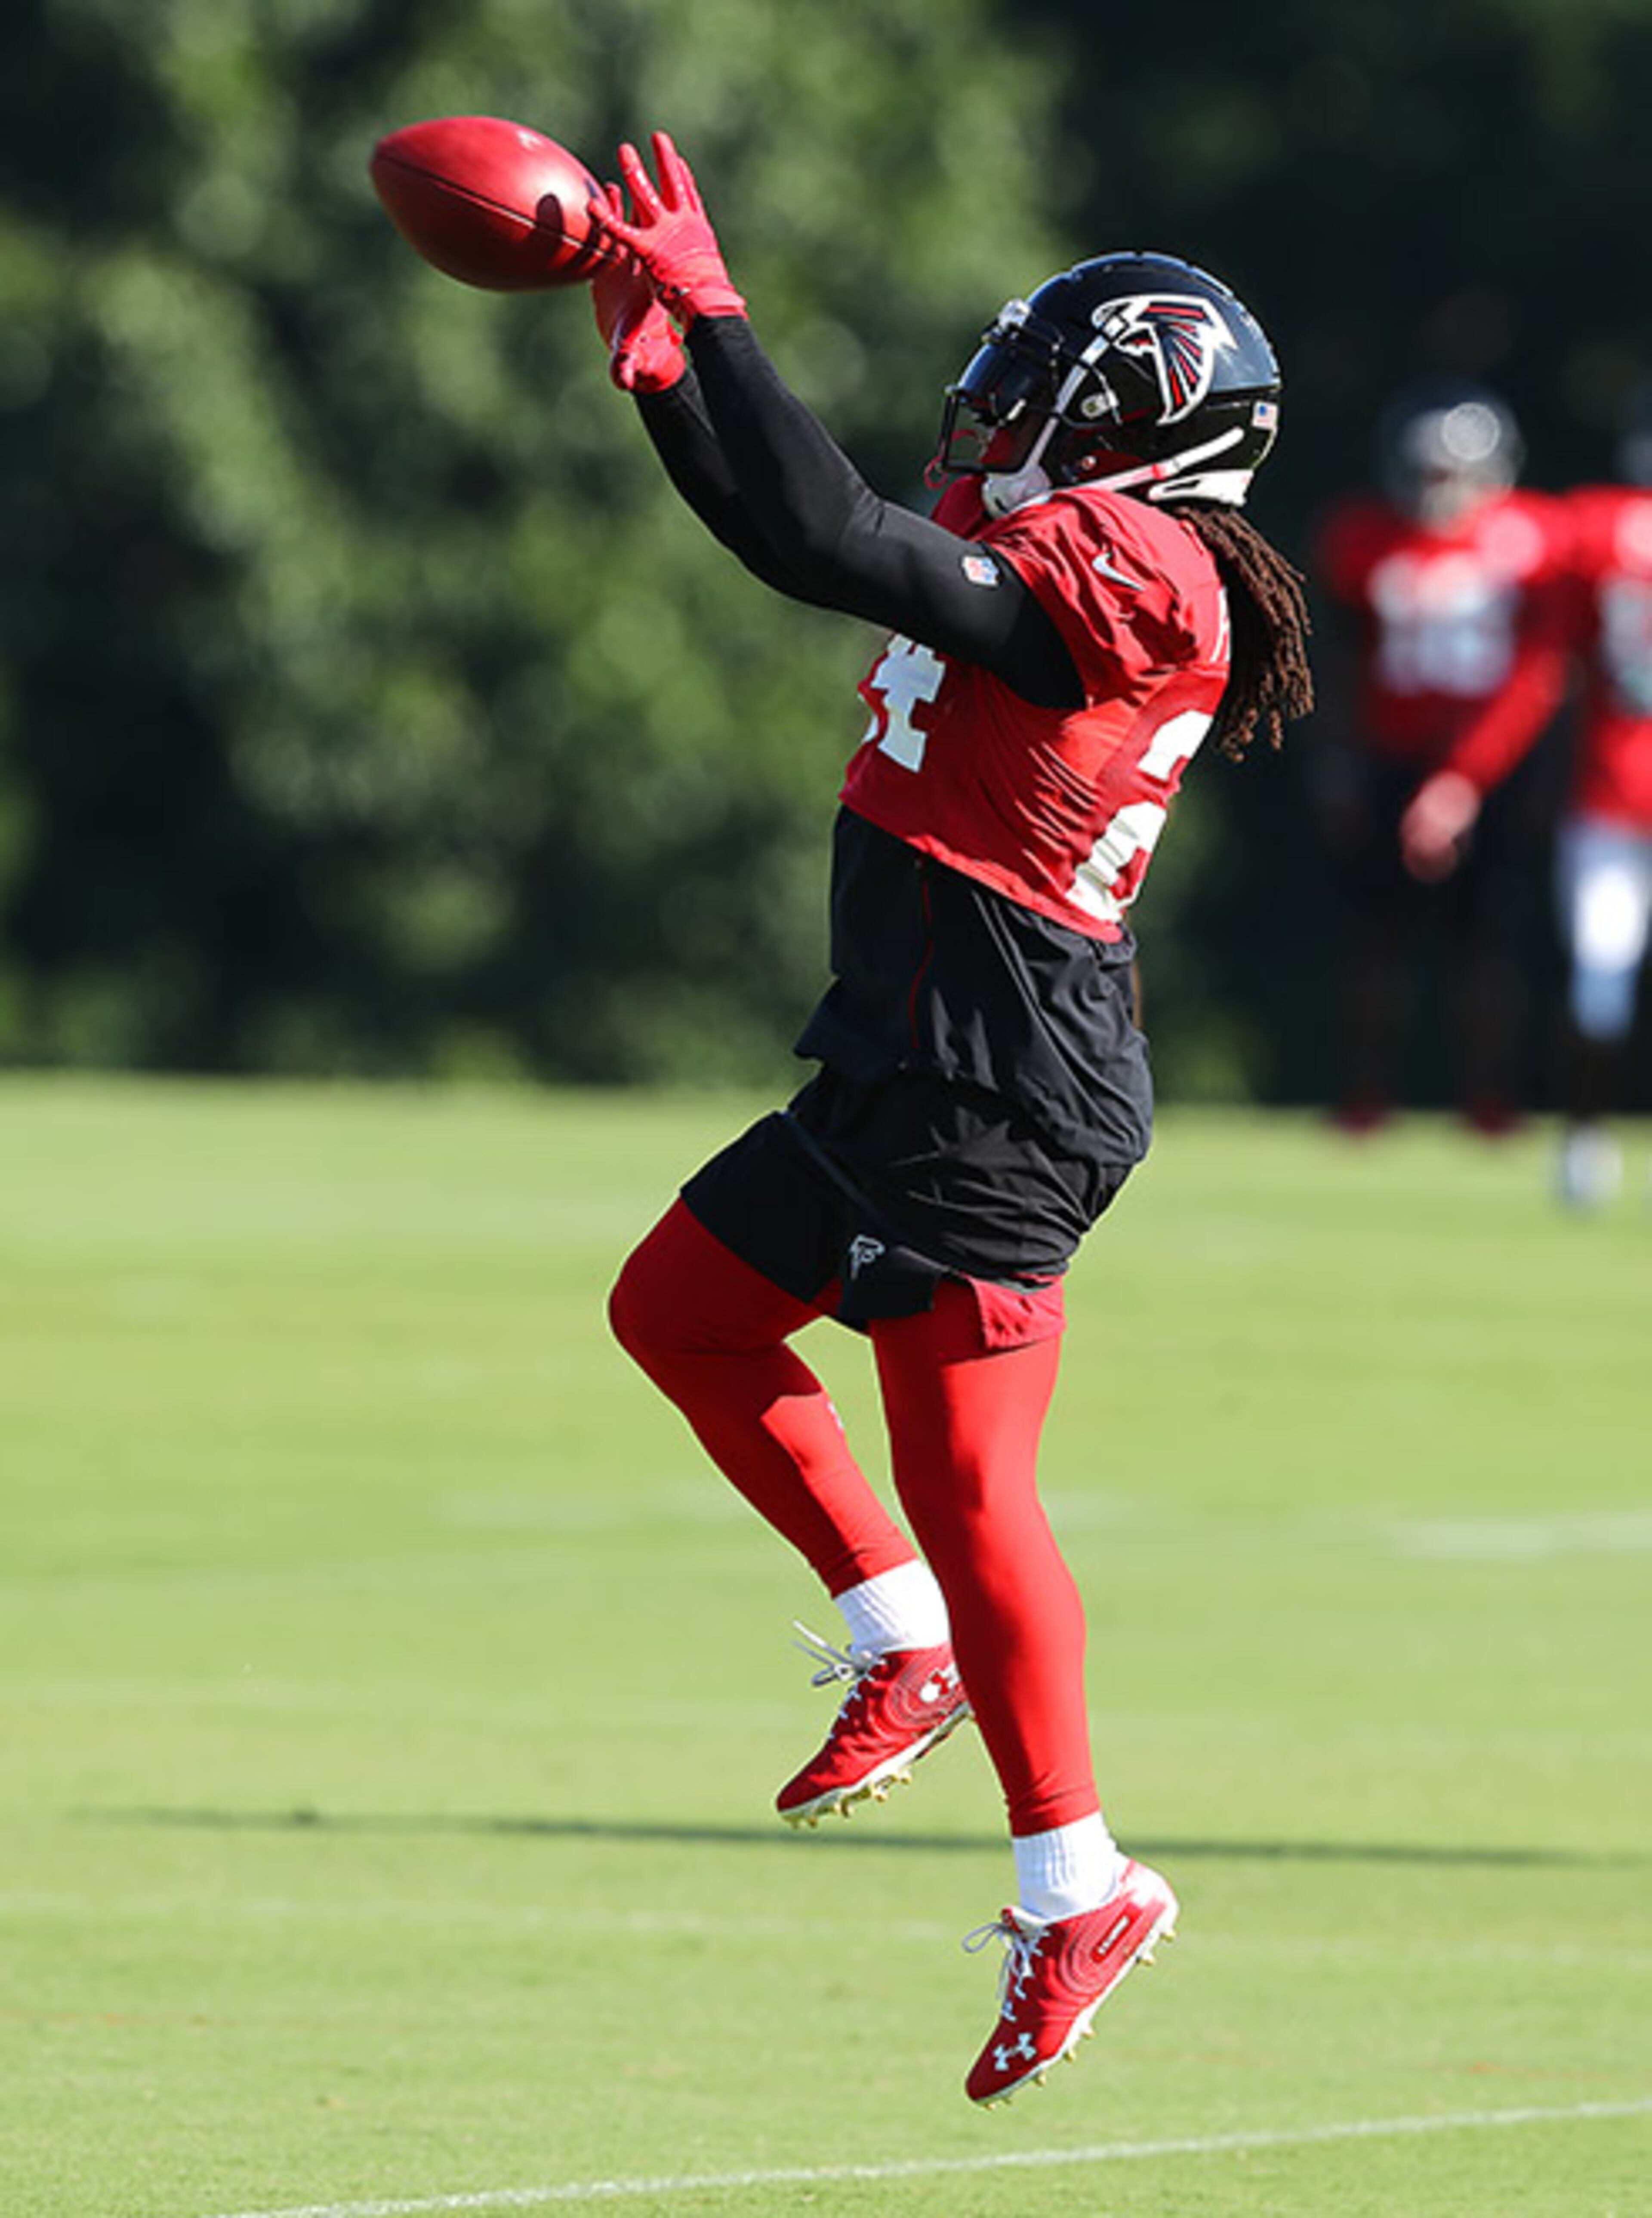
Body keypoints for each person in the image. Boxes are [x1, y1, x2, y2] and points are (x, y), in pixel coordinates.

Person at [586, 132, 1313, 2105]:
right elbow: (788, 525)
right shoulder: (1079, 543)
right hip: (912, 1048)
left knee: (977, 1483)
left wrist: (722, 312)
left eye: (1038, 382)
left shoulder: (1142, 569)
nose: (990, 411)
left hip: (996, 1077)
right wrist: (670, 375)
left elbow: (832, 534)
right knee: (684, 1308)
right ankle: (898, 1640)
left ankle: (1076, 1879)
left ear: (1133, 409)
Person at [1404, 388, 1652, 1206]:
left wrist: (1461, 779)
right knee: (1598, 979)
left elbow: (1538, 656)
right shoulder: (1604, 530)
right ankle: (1583, 1142)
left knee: (1599, 981)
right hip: (1614, 795)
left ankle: (1585, 1145)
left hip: (1616, 791)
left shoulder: (1602, 526)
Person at [1312, 380, 1571, 1133]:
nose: (1436, 489)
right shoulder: (1365, 537)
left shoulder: (1530, 539)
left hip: (1500, 766)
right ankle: (1364, 1103)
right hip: (1389, 753)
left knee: (1487, 941)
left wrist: (1467, 779)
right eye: (1425, 472)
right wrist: (1335, 763)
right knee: (1375, 942)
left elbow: (1543, 673)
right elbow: (1345, 656)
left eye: (1450, 473)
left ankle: (1493, 1106)